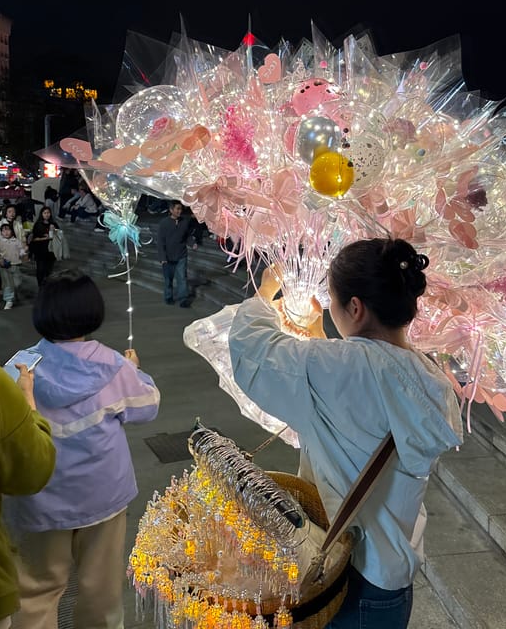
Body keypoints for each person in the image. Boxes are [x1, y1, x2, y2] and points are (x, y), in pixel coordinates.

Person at [228, 238, 463, 629]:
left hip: (345, 574)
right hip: (390, 578)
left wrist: (266, 293)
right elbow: (364, 397)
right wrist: (322, 341)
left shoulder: (339, 367)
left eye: (334, 301)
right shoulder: (428, 375)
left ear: (355, 308)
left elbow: (252, 348)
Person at [6, 270, 161, 629]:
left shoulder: (18, 368)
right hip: (101, 496)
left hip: (38, 500)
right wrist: (135, 371)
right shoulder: (114, 366)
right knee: (101, 591)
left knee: (36, 592)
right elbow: (147, 407)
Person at [0, 364, 56, 629]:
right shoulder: (1, 384)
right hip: (104, 499)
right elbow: (32, 469)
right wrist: (28, 403)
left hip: (35, 518)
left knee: (39, 588)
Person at [157, 200, 201, 307]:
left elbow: (187, 236)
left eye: (180, 209)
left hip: (181, 254)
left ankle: (183, 299)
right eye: (177, 209)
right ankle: (168, 296)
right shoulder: (164, 223)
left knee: (182, 277)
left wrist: (192, 243)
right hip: (168, 257)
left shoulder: (184, 222)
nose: (179, 211)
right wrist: (162, 257)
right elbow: (160, 241)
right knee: (168, 279)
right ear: (171, 210)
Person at [0, 224, 28, 309]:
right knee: (7, 283)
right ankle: (9, 301)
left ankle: (13, 293)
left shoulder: (16, 241)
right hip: (4, 266)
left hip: (16, 264)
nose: (6, 232)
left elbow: (21, 250)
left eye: (8, 230)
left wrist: (24, 252)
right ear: (1, 232)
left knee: (17, 282)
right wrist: (0, 259)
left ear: (11, 231)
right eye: (4, 230)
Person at [27, 208, 58, 287]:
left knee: (48, 270)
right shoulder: (38, 224)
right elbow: (34, 239)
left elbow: (60, 236)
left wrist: (54, 231)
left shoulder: (54, 224)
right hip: (40, 251)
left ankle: (47, 285)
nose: (47, 214)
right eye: (45, 213)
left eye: (48, 213)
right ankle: (40, 286)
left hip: (51, 251)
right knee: (40, 270)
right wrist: (46, 238)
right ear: (42, 214)